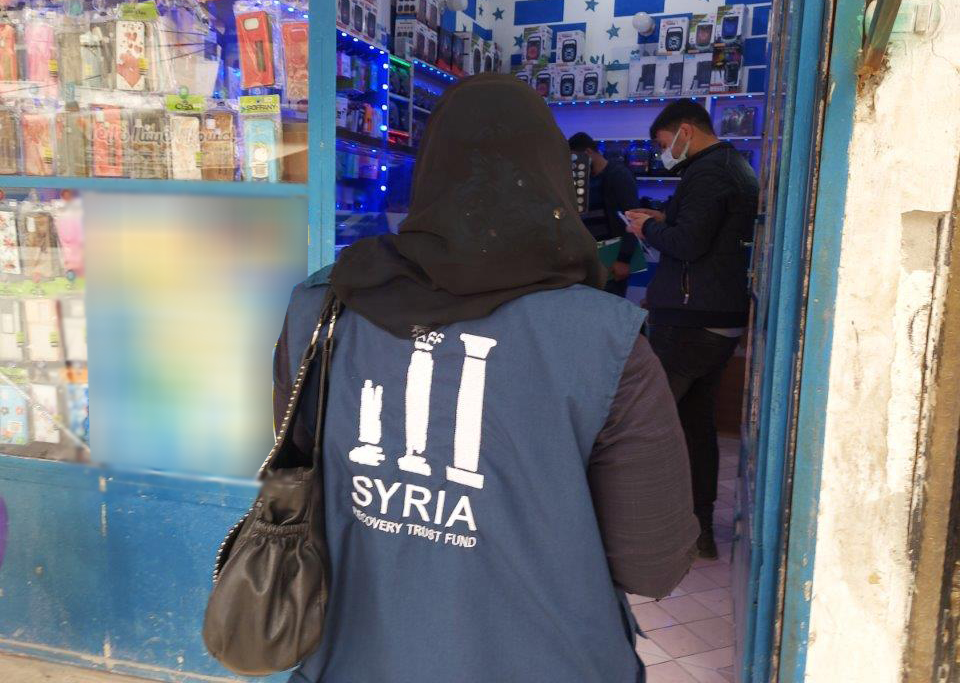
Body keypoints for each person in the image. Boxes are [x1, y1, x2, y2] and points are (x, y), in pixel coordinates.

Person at [277, 75, 698, 682]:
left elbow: (298, 479)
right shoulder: (605, 341)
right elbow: (652, 564)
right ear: (553, 181)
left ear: (429, 175)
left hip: (350, 657)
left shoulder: (321, 309)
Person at [625, 98, 760, 560]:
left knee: (643, 422)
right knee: (695, 425)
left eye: (663, 143)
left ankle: (640, 529)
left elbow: (688, 243)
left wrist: (647, 230)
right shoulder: (734, 167)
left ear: (685, 130)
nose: (663, 153)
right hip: (714, 317)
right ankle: (697, 528)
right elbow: (707, 232)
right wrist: (664, 220)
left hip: (690, 320)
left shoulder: (708, 172)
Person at [568, 132, 640, 297]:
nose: (573, 164)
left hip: (613, 256)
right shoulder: (585, 178)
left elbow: (632, 217)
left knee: (611, 302)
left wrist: (624, 259)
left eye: (574, 158)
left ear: (587, 153)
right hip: (591, 258)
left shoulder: (618, 175)